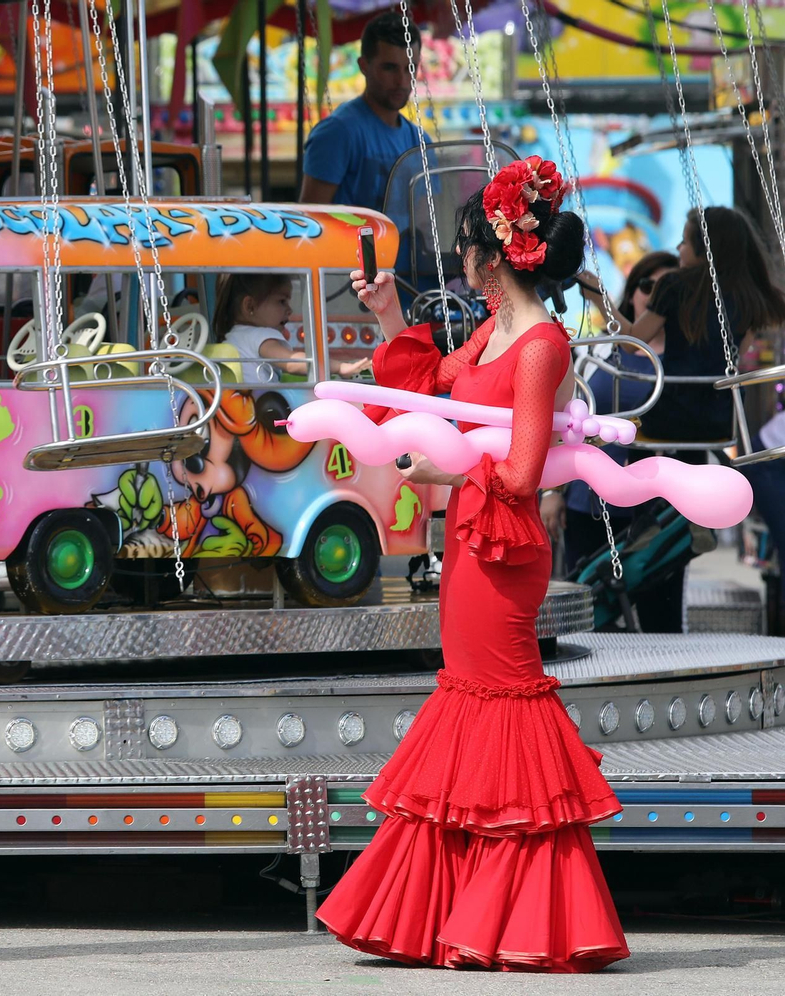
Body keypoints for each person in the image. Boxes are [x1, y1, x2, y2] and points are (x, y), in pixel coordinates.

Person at [316, 157, 629, 971]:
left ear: (493, 257)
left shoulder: (540, 347)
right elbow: (428, 390)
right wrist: (388, 314)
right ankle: (459, 914)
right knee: (471, 706)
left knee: (500, 708)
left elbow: (522, 472)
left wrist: (445, 474)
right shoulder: (494, 332)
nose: (458, 263)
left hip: (502, 539)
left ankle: (521, 915)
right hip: (470, 535)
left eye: (463, 250)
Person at [578, 209, 785, 629]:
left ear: (705, 247)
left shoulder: (674, 286)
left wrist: (598, 298)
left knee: (637, 453)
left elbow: (635, 342)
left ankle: (650, 527)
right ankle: (687, 525)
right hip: (716, 421)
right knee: (684, 485)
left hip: (667, 418)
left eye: (685, 242)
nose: (678, 249)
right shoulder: (747, 293)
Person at [544, 250, 676, 574]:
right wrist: (551, 491)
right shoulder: (601, 346)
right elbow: (566, 416)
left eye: (668, 288)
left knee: (661, 616)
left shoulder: (687, 358)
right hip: (587, 501)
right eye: (647, 285)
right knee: (589, 602)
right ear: (631, 292)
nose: (654, 296)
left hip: (659, 509)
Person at [299, 13, 429, 274]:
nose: (402, 81)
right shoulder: (337, 133)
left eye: (410, 68)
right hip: (350, 286)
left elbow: (427, 223)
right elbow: (310, 224)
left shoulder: (420, 140)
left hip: (411, 284)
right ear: (364, 65)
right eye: (390, 67)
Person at [214, 273, 371, 382]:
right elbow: (292, 362)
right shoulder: (260, 336)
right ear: (250, 306)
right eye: (282, 301)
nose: (289, 310)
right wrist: (340, 366)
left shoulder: (233, 336)